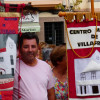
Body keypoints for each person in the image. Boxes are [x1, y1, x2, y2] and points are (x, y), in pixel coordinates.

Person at [13, 32, 56, 100]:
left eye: (33, 46)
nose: (30, 50)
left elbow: (51, 94)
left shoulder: (46, 67)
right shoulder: (13, 67)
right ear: (20, 48)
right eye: (26, 47)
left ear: (38, 48)